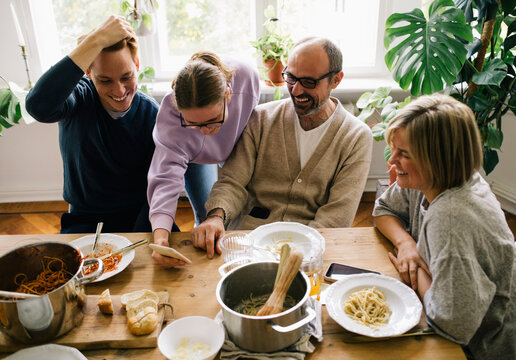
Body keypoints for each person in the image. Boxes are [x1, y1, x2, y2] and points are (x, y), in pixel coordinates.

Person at [373, 94, 516, 359]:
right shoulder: (436, 179)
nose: (391, 162)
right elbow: (383, 209)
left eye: (403, 154)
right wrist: (407, 245)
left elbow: (451, 326)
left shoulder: (452, 218)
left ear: (435, 158)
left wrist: (418, 276)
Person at [192, 37, 373, 258]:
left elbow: (337, 215)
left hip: (311, 248)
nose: (296, 91)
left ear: (336, 80)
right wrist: (216, 217)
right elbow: (232, 181)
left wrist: (297, 256)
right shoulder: (260, 119)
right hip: (249, 241)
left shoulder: (356, 137)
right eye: (291, 77)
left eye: (308, 82)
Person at [25, 16, 157, 234]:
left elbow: (156, 188)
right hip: (84, 219)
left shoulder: (151, 113)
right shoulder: (78, 98)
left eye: (126, 77)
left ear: (137, 65)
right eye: (105, 80)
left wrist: (136, 241)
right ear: (87, 72)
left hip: (141, 217)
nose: (119, 91)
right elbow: (38, 106)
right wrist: (95, 41)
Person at [147, 51, 260, 267]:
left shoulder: (247, 78)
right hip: (194, 158)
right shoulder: (171, 116)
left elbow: (256, 128)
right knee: (206, 210)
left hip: (238, 144)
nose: (205, 131)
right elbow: (165, 179)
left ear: (228, 95)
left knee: (235, 206)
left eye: (212, 121)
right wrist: (160, 238)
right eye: (194, 124)